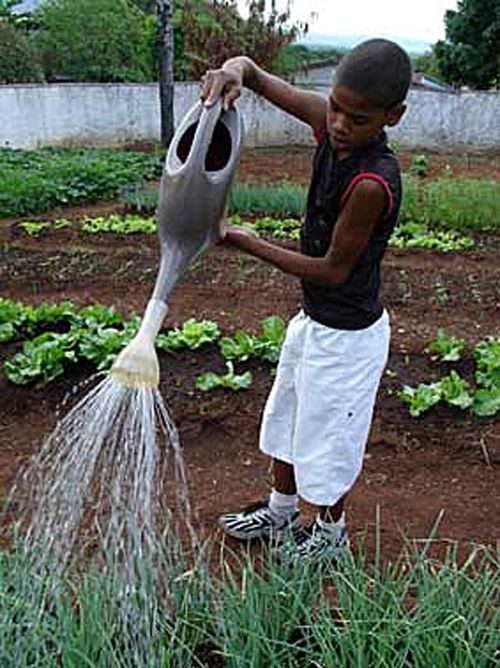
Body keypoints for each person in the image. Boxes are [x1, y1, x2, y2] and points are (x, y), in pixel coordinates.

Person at [201, 39, 412, 563]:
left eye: (356, 118)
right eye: (335, 108)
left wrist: (246, 241)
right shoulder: (330, 122)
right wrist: (232, 70)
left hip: (348, 336)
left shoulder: (371, 182)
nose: (339, 124)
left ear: (393, 117)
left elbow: (333, 270)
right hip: (315, 321)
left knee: (328, 440)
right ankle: (280, 509)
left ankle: (329, 534)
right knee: (287, 420)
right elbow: (252, 72)